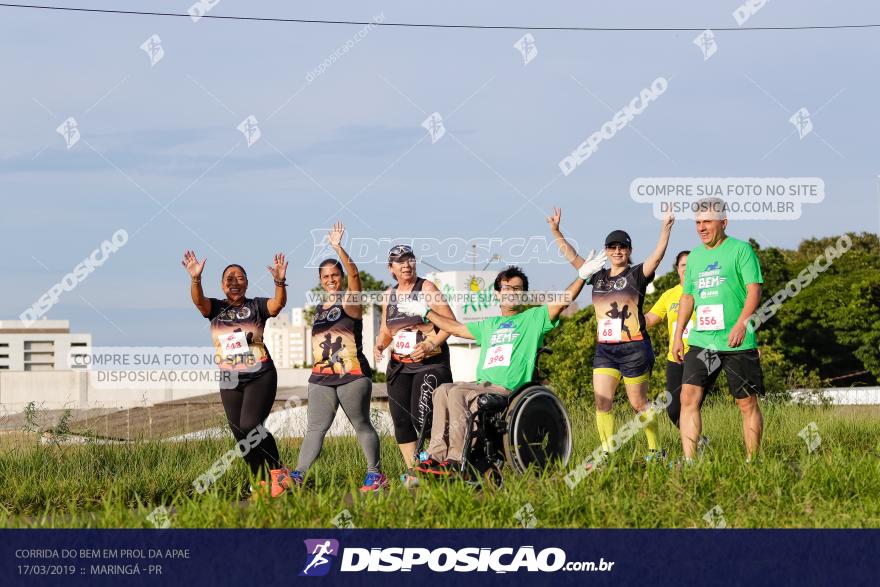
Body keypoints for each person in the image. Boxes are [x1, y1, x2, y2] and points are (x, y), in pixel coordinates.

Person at [398, 249, 606, 476]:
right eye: (506, 289)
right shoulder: (490, 324)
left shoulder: (533, 318)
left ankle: (456, 460)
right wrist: (427, 312)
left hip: (509, 389)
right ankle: (435, 456)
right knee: (442, 390)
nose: (511, 293)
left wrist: (583, 276)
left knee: (457, 394)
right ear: (497, 294)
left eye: (516, 289)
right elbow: (454, 328)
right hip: (482, 385)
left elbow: (562, 302)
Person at [550, 207, 673, 463]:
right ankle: (607, 451)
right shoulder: (598, 275)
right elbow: (572, 258)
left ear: (628, 251)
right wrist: (556, 231)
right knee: (602, 403)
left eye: (622, 247)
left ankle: (655, 450)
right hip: (605, 350)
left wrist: (665, 229)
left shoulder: (636, 274)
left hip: (634, 348)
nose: (617, 251)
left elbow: (657, 258)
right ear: (606, 250)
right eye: (612, 247)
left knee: (638, 405)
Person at [181, 249, 294, 498]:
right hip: (230, 378)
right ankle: (260, 482)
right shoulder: (216, 308)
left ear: (247, 282)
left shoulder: (256, 305)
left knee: (250, 424)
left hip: (260, 374)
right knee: (240, 434)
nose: (235, 281)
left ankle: (278, 470)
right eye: (229, 278)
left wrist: (279, 282)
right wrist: (195, 279)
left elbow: (277, 305)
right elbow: (198, 301)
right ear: (222, 286)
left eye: (240, 277)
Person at [290, 222, 387, 492]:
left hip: (352, 375)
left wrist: (337, 247)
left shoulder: (350, 301)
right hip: (321, 377)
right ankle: (298, 475)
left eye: (335, 275)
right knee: (315, 428)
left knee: (361, 424)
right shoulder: (320, 309)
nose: (331, 279)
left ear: (341, 277)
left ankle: (375, 474)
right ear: (321, 281)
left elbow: (355, 273)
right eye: (326, 277)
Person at [672, 198, 765, 462]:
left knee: (746, 403)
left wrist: (742, 323)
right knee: (688, 397)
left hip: (737, 341)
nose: (701, 228)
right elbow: (688, 298)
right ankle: (690, 461)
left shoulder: (741, 250)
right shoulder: (696, 256)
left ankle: (752, 461)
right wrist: (679, 335)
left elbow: (754, 290)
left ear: (723, 223)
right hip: (704, 342)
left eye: (707, 222)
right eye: (698, 223)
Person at [374, 244, 455, 483]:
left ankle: (440, 462)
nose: (406, 265)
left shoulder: (426, 288)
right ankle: (414, 471)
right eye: (400, 261)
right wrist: (379, 344)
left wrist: (430, 345)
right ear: (391, 269)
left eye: (410, 259)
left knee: (422, 418)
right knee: (400, 419)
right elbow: (386, 330)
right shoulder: (388, 294)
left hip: (429, 363)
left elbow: (451, 324)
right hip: (399, 365)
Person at [645, 251, 715, 445]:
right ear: (678, 269)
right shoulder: (670, 295)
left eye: (691, 265)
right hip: (676, 356)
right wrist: (631, 320)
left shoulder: (707, 292)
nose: (687, 269)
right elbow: (651, 318)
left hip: (704, 353)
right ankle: (699, 441)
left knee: (690, 401)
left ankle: (691, 454)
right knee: (674, 409)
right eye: (683, 265)